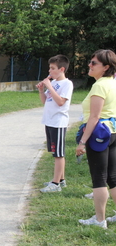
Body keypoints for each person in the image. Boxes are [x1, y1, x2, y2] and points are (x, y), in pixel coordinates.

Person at [77, 49, 116, 229]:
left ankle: (100, 220)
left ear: (106, 67)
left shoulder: (100, 86)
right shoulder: (113, 83)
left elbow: (94, 116)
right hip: (113, 133)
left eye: (94, 63)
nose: (89, 65)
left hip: (99, 135)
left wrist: (83, 141)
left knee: (99, 178)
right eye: (90, 62)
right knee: (113, 177)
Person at [36, 55, 74, 193]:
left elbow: (60, 102)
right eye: (49, 68)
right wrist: (42, 90)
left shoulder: (66, 84)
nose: (50, 71)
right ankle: (61, 180)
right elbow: (45, 101)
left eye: (53, 68)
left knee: (59, 154)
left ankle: (55, 183)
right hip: (49, 121)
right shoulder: (54, 83)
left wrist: (49, 86)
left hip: (58, 122)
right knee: (54, 151)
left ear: (61, 69)